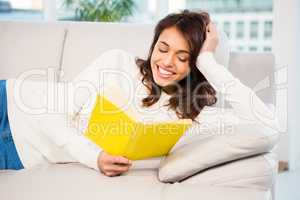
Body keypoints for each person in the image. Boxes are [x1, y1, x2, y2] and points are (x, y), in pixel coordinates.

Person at [1, 10, 278, 177]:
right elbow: (52, 115)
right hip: (11, 101)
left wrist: (207, 61)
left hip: (18, 153)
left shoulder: (192, 115)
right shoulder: (117, 62)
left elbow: (267, 125)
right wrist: (93, 157)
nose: (167, 62)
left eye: (183, 57)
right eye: (163, 48)